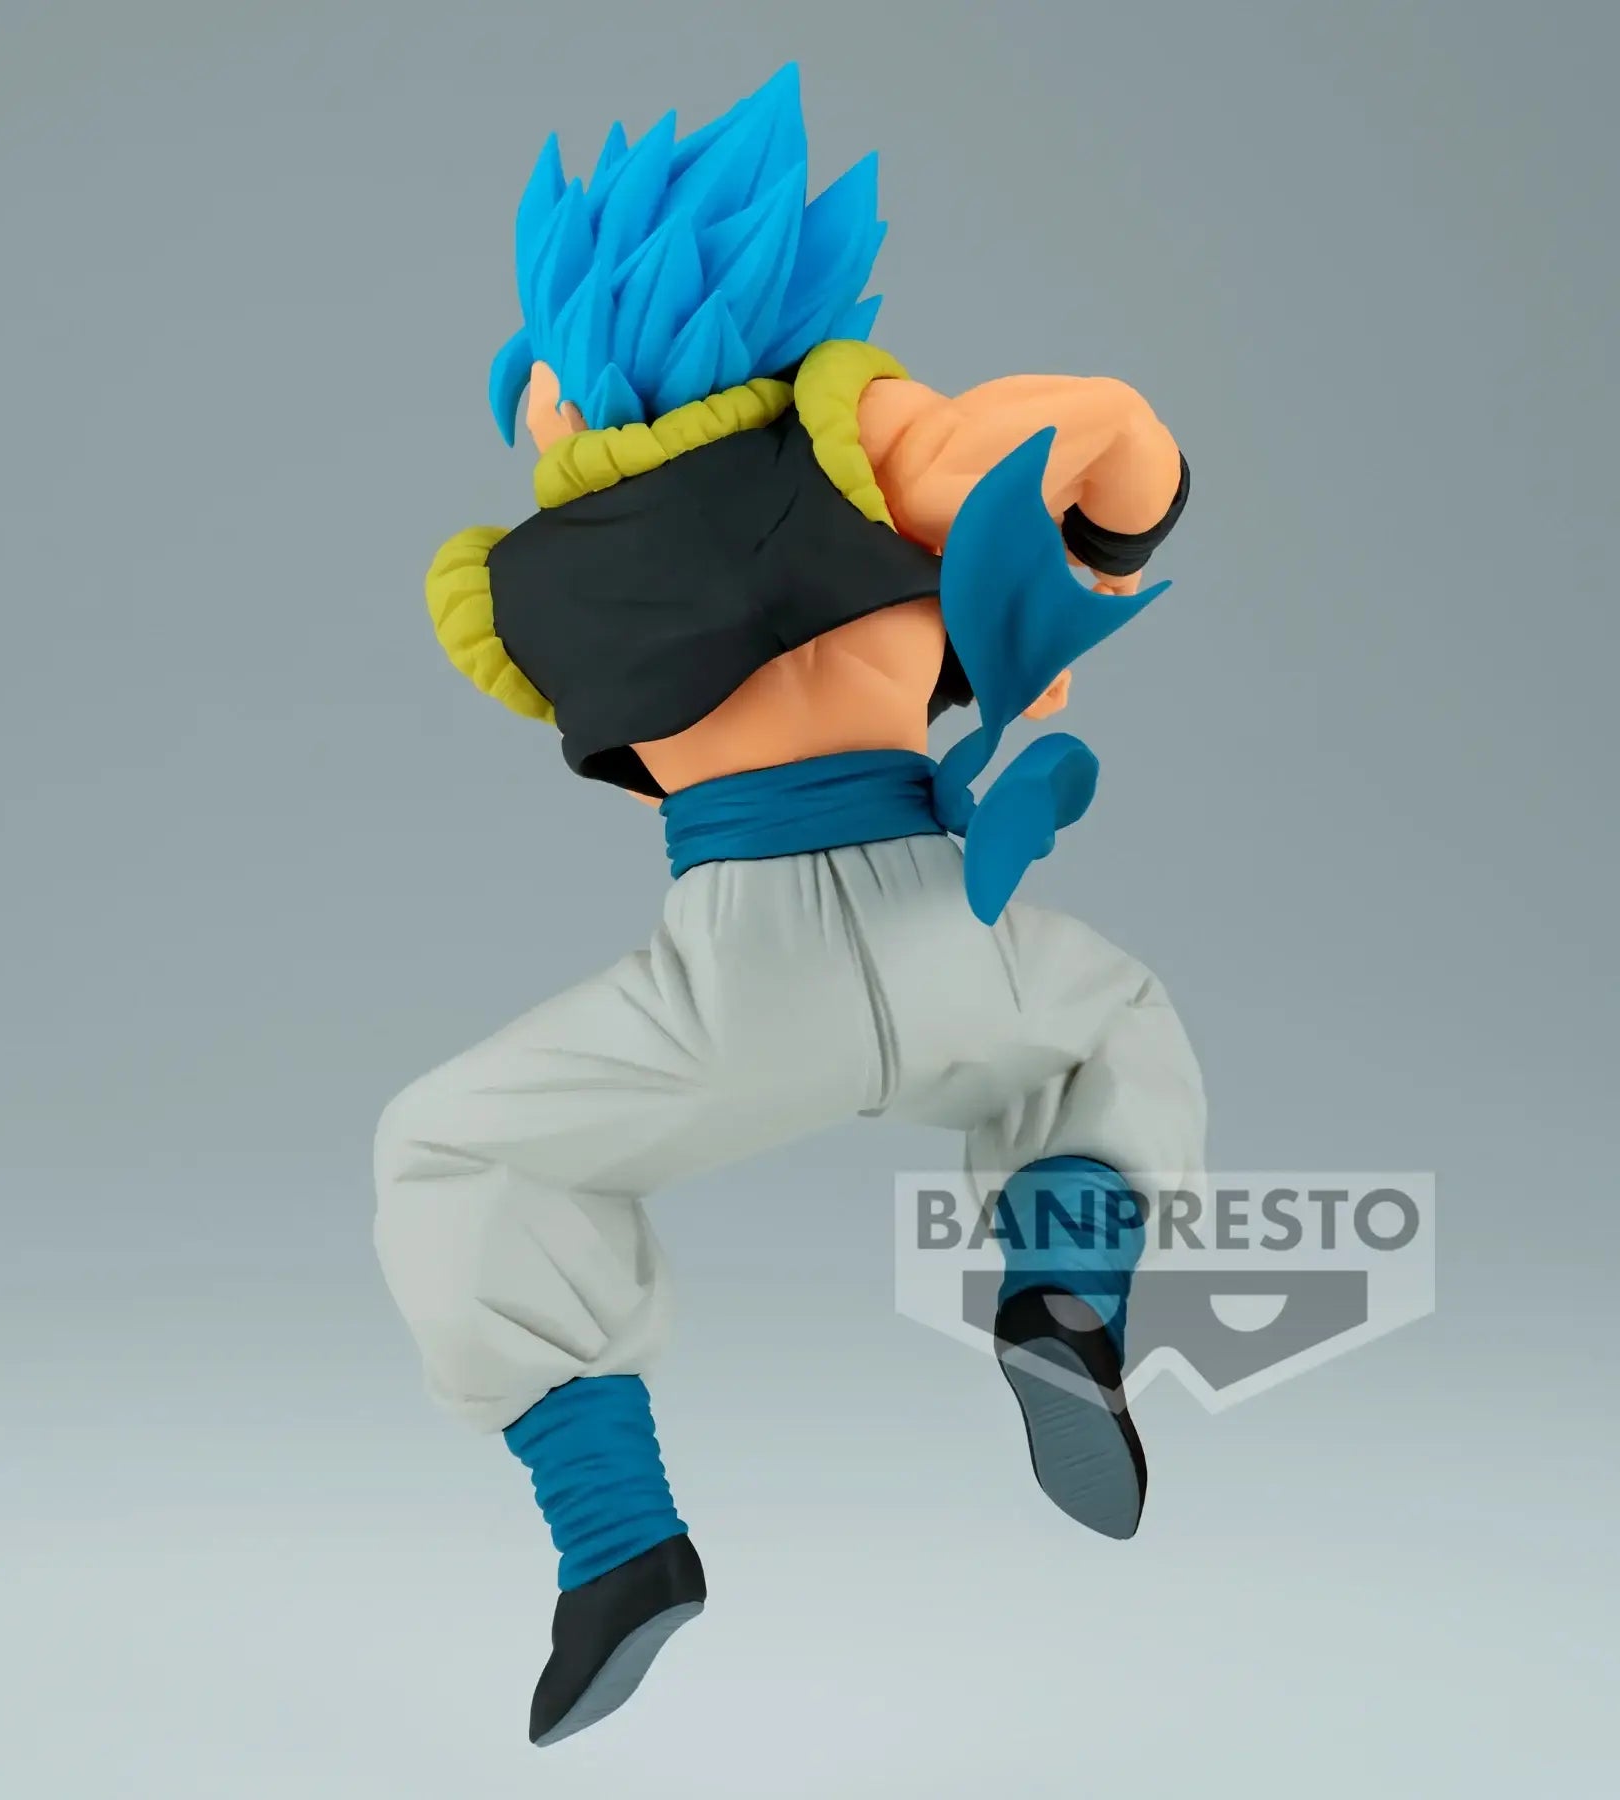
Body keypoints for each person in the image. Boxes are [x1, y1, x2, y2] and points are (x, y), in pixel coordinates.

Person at [374, 63, 1206, 1747]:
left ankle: (617, 1543)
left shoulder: (535, 584)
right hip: (949, 933)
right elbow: (1109, 443)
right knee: (1109, 1022)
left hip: (734, 984)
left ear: (564, 378)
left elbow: (644, 723)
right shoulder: (859, 442)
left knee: (451, 1149)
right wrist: (1110, 527)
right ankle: (1061, 1298)